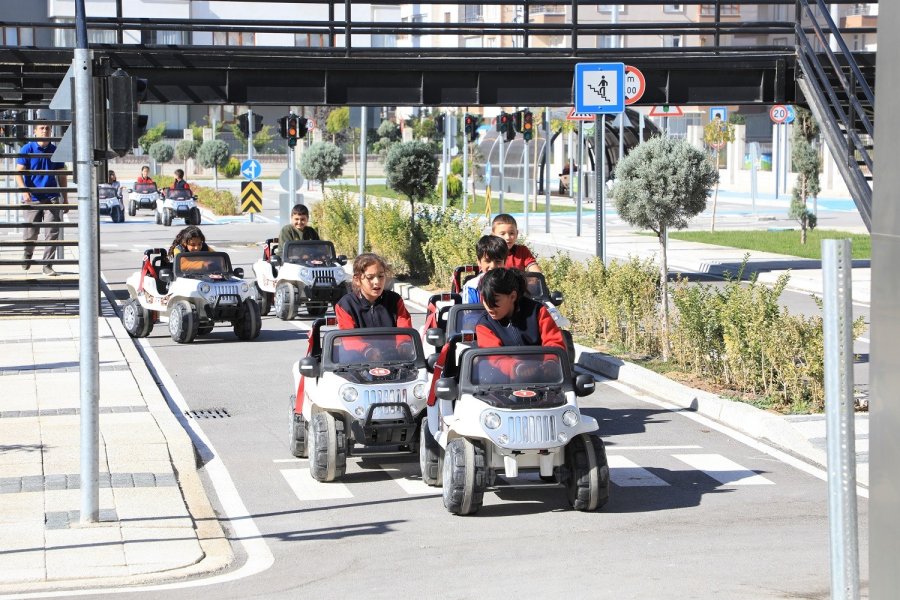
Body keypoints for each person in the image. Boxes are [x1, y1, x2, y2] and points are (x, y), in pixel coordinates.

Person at [16, 119, 68, 276]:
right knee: (30, 233)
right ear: (35, 132)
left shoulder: (55, 151)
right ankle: (28, 253)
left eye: (47, 128)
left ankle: (47, 265)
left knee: (52, 233)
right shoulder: (27, 148)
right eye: (41, 128)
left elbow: (62, 176)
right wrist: (24, 190)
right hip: (33, 198)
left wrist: (65, 198)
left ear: (51, 131)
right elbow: (18, 172)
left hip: (51, 197)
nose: (44, 130)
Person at [475, 268, 565, 350]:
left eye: (495, 300)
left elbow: (555, 344)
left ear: (512, 296)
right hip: (506, 368)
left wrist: (547, 364)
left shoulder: (537, 312)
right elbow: (495, 358)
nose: (489, 306)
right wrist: (516, 367)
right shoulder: (485, 324)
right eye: (485, 300)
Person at [335, 253, 412, 329]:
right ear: (357, 280)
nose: (377, 282)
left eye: (381, 276)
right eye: (370, 277)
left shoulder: (395, 300)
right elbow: (349, 339)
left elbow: (405, 334)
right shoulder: (346, 305)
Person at [461, 235, 508, 304]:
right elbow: (469, 313)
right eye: (488, 261)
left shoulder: (512, 284)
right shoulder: (472, 287)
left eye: (498, 261)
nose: (493, 266)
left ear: (504, 261)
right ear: (479, 262)